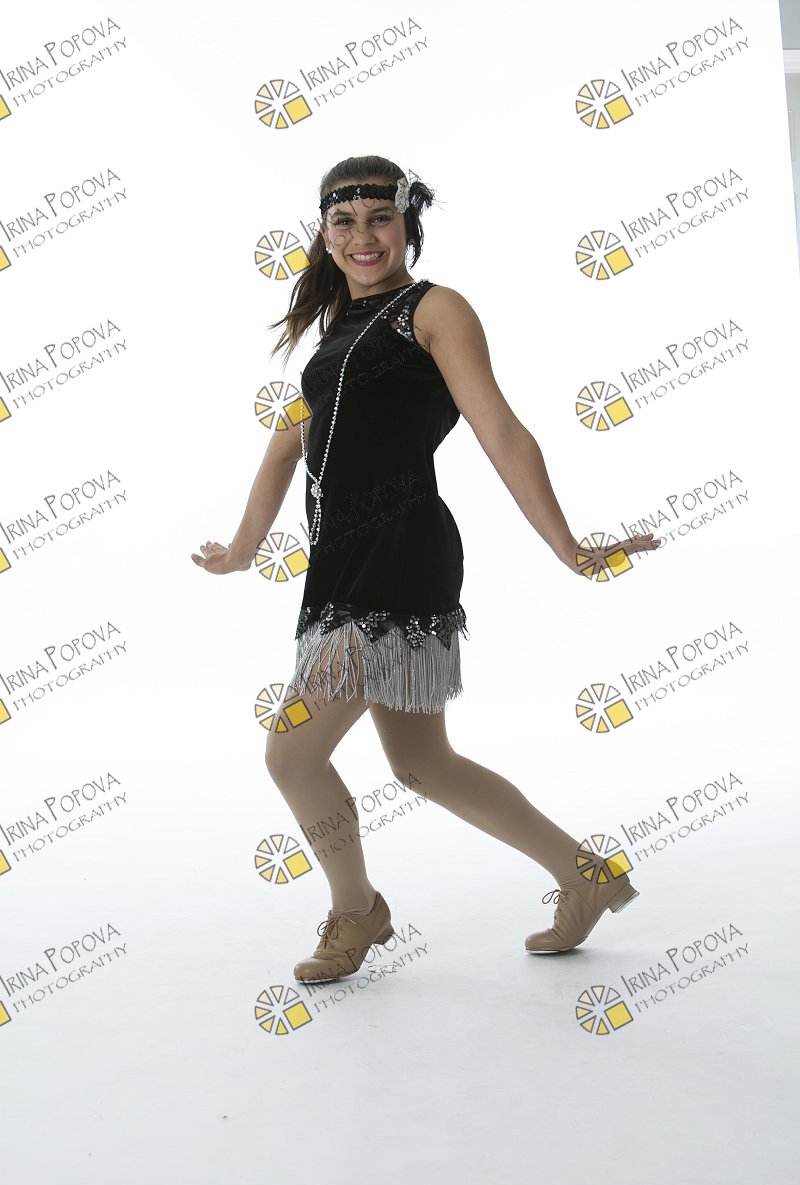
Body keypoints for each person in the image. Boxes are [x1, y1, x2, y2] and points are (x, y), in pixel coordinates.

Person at [190, 155, 663, 985]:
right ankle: (585, 875)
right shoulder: (338, 328)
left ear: (408, 222)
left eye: (380, 218)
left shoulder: (434, 310)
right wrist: (241, 550)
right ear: (324, 234)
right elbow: (285, 447)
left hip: (399, 552)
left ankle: (357, 911)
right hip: (340, 558)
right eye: (344, 222)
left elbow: (501, 430)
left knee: (290, 754)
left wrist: (567, 545)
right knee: (423, 764)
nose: (363, 236)